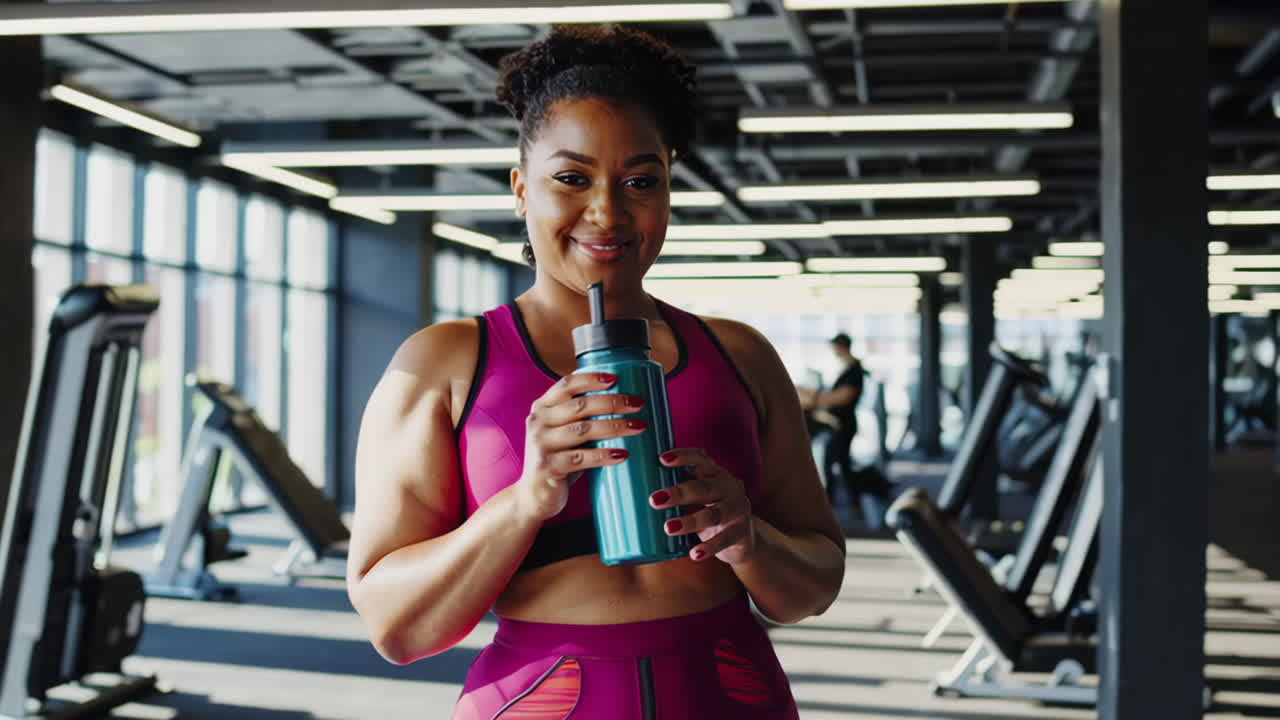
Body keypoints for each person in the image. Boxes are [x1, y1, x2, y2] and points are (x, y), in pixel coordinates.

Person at [346, 24, 845, 720]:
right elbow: (395, 628)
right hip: (542, 697)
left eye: (641, 180)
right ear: (522, 189)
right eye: (571, 178)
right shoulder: (443, 363)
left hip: (732, 691)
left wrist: (748, 537)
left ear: (669, 191)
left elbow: (813, 585)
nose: (608, 212)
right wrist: (526, 500)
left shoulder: (741, 354)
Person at [797, 334, 888, 525]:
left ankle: (836, 503)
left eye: (835, 347)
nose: (834, 351)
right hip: (840, 424)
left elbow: (844, 397)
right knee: (838, 464)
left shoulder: (854, 370)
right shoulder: (849, 369)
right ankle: (844, 502)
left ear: (842, 346)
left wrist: (814, 398)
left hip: (843, 425)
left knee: (835, 464)